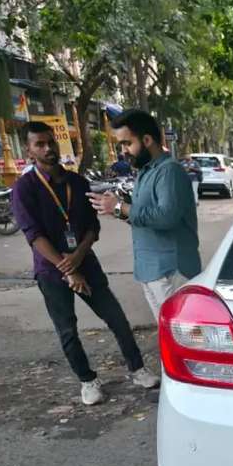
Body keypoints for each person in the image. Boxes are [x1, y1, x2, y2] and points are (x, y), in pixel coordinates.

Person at [10, 121, 159, 405]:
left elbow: (91, 226)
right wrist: (68, 269)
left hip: (85, 263)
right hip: (51, 272)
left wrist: (78, 257)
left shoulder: (77, 182)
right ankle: (88, 381)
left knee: (115, 317)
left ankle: (137, 369)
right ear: (29, 151)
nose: (48, 148)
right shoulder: (24, 188)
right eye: (39, 144)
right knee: (67, 330)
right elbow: (33, 235)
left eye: (50, 142)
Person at [88, 109, 202, 319]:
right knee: (169, 337)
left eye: (127, 143)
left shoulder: (169, 171)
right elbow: (144, 218)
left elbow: (166, 217)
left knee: (185, 337)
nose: (124, 151)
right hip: (151, 271)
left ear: (147, 139)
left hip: (171, 272)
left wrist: (120, 207)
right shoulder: (145, 171)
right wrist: (116, 210)